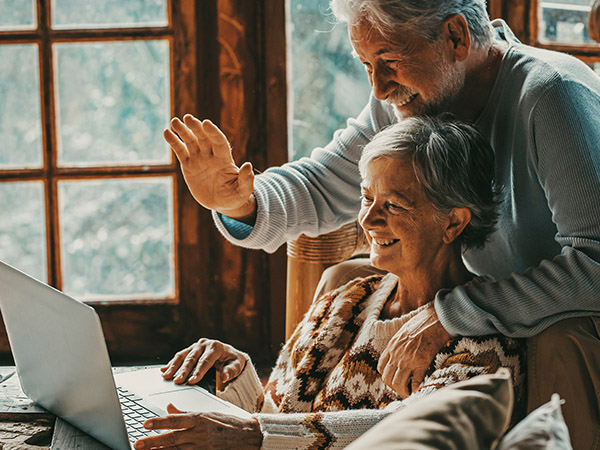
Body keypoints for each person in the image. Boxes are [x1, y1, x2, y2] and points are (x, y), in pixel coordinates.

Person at [164, 1, 600, 447]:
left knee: (561, 339)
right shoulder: (411, 93)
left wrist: (452, 313)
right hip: (474, 296)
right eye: (365, 65)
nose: (378, 86)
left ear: (455, 37)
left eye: (389, 62)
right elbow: (324, 184)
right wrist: (240, 201)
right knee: (346, 278)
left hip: (560, 324)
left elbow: (597, 266)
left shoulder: (553, 96)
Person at [135, 117, 524, 450]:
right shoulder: (349, 298)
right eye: (366, 198)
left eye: (393, 205)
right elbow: (278, 418)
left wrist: (257, 436)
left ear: (453, 222)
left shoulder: (484, 338)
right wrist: (237, 375)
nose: (369, 220)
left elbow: (403, 430)